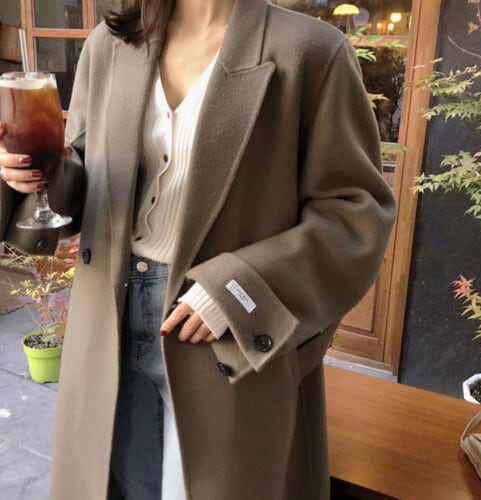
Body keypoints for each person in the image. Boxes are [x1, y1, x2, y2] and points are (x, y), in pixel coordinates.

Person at [0, 0, 397, 498]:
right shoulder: (111, 45)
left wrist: (238, 289)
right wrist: (39, 175)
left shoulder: (310, 51)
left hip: (216, 333)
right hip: (105, 323)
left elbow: (355, 213)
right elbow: (84, 172)